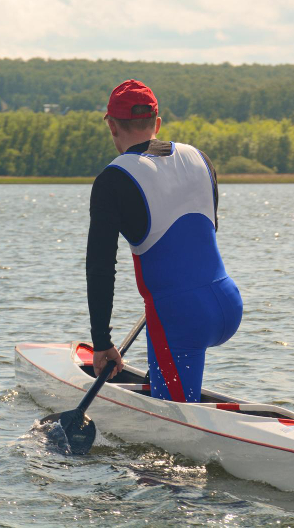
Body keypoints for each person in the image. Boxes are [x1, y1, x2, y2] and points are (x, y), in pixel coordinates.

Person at [86, 79, 242, 402]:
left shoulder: (112, 180)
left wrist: (101, 343)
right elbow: (203, 235)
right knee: (179, 396)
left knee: (172, 425)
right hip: (228, 302)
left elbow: (100, 268)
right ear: (157, 124)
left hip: (182, 320)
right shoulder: (201, 159)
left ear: (112, 127)